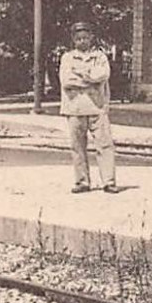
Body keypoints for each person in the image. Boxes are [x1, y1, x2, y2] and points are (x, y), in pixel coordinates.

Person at [59, 19, 118, 194]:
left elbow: (103, 75)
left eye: (85, 38)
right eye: (78, 38)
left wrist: (82, 75)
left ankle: (109, 181)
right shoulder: (67, 58)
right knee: (77, 146)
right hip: (75, 108)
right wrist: (91, 80)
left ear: (91, 38)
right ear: (73, 40)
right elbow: (67, 81)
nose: (82, 41)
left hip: (97, 107)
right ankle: (82, 181)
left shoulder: (100, 57)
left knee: (105, 144)